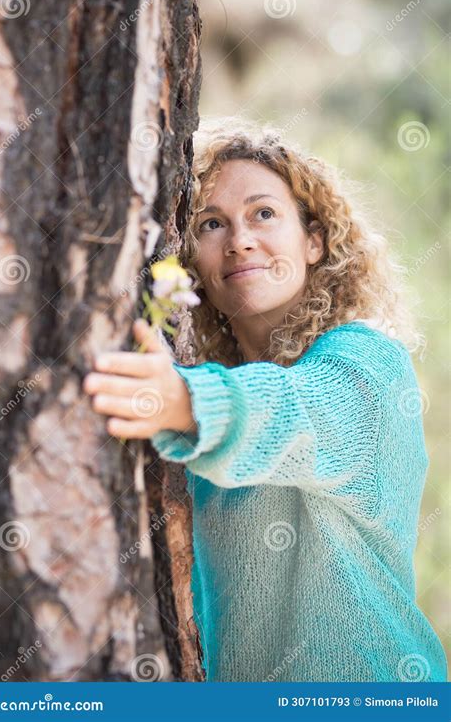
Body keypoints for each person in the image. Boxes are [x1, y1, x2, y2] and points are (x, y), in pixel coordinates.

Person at [83, 117, 447, 682]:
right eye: (211, 223)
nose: (240, 240)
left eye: (264, 213)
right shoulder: (201, 409)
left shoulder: (369, 365)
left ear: (314, 240)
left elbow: (295, 413)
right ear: (192, 263)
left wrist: (180, 400)